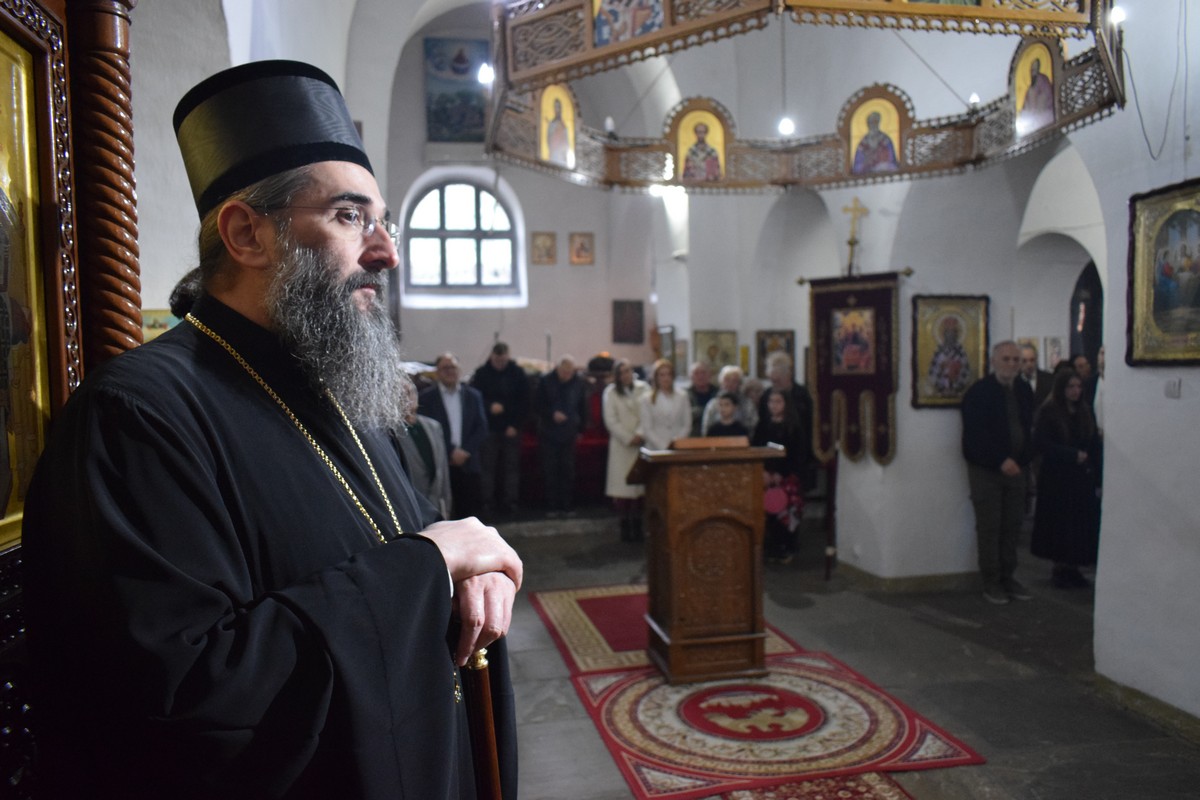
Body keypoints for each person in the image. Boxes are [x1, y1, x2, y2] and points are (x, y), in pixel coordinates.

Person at [22, 61, 521, 799]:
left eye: (384, 222)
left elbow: (421, 542)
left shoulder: (338, 389)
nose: (386, 251)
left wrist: (474, 572)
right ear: (246, 233)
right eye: (350, 216)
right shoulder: (135, 417)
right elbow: (186, 696)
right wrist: (429, 566)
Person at [961, 340, 1035, 605]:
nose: (1012, 364)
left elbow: (1027, 427)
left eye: (1016, 360)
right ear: (993, 361)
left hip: (1017, 469)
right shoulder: (979, 392)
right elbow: (975, 435)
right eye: (1007, 359)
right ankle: (991, 580)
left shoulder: (1024, 390)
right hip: (987, 471)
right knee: (990, 527)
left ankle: (1008, 576)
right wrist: (1000, 460)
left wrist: (1023, 460)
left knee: (1012, 525)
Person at [1030, 370, 1102, 589]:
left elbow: (1093, 444)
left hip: (1079, 477)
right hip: (1057, 477)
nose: (1075, 391)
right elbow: (1042, 443)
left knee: (1078, 523)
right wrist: (1070, 455)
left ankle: (1073, 566)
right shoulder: (1050, 412)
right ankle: (1061, 566)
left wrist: (1097, 473)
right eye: (1071, 387)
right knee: (1060, 524)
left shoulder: (1085, 412)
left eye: (1078, 387)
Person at [418, 351, 488, 518]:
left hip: (468, 461)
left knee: (470, 514)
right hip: (441, 462)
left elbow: (481, 427)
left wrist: (465, 451)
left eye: (453, 367)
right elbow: (427, 431)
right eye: (445, 368)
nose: (450, 371)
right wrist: (450, 452)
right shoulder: (426, 398)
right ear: (437, 372)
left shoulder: (473, 396)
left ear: (459, 370)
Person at [470, 341, 530, 516]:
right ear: (492, 357)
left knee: (511, 468)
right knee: (487, 467)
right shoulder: (481, 374)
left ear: (508, 357)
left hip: (511, 427)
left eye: (503, 360)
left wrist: (515, 425)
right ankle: (487, 502)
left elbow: (525, 402)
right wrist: (489, 406)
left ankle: (510, 502)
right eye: (497, 360)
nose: (500, 364)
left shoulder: (517, 373)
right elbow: (475, 399)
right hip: (488, 427)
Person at [753, 387, 808, 563]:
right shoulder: (763, 425)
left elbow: (797, 455)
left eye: (778, 402)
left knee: (785, 512)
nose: (774, 405)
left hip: (786, 476)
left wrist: (781, 473)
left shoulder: (794, 428)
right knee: (767, 513)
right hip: (766, 476)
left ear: (786, 404)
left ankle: (788, 546)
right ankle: (771, 547)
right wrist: (763, 471)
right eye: (771, 402)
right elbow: (756, 449)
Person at [534, 355, 588, 516]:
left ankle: (567, 505)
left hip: (569, 432)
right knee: (550, 469)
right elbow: (537, 405)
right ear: (558, 369)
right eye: (564, 372)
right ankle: (551, 505)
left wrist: (581, 429)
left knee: (568, 470)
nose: (566, 375)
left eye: (569, 373)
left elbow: (582, 407)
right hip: (548, 431)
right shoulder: (545, 381)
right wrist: (552, 414)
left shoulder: (578, 383)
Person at [602, 358, 649, 541]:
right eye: (621, 372)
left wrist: (640, 433)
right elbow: (611, 419)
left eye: (628, 371)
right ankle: (624, 524)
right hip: (622, 445)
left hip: (641, 443)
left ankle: (638, 524)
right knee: (623, 489)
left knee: (638, 489)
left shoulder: (643, 388)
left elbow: (649, 413)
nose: (626, 375)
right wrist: (629, 437)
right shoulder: (611, 392)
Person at [759, 351, 815, 490]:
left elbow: (807, 431)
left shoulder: (801, 395)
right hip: (770, 460)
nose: (775, 385)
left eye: (777, 380)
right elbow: (762, 431)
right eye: (772, 381)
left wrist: (786, 472)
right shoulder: (766, 395)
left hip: (796, 459)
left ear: (788, 375)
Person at [394, 407, 453, 520]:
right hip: (410, 509)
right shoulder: (390, 431)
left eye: (411, 393)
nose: (408, 399)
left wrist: (446, 505)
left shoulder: (433, 426)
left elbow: (443, 469)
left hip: (436, 505)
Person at [639, 358, 692, 451]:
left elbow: (687, 424)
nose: (666, 378)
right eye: (662, 375)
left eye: (669, 374)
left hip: (678, 447)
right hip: (655, 448)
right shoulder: (647, 399)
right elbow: (647, 428)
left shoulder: (682, 396)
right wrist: (663, 446)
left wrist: (676, 443)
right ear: (656, 377)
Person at [700, 364, 758, 435]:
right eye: (727, 380)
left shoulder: (747, 403)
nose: (730, 384)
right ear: (721, 382)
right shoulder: (713, 404)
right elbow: (706, 428)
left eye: (734, 381)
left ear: (739, 383)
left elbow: (753, 425)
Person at [1018, 57, 1055, 133]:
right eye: (1032, 69)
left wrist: (1037, 103)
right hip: (1033, 115)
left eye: (1034, 69)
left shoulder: (1042, 78)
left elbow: (1046, 94)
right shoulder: (1030, 86)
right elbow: (1026, 102)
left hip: (1043, 110)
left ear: (1038, 68)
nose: (1032, 71)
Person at [685, 360, 717, 437]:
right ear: (690, 376)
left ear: (710, 375)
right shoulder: (684, 395)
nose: (700, 376)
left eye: (703, 373)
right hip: (691, 437)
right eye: (696, 373)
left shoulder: (719, 394)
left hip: (715, 436)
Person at [1019, 342, 1054, 407]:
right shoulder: (1013, 380)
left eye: (1032, 360)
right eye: (1024, 361)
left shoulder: (1049, 379)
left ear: (1036, 359)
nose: (1029, 364)